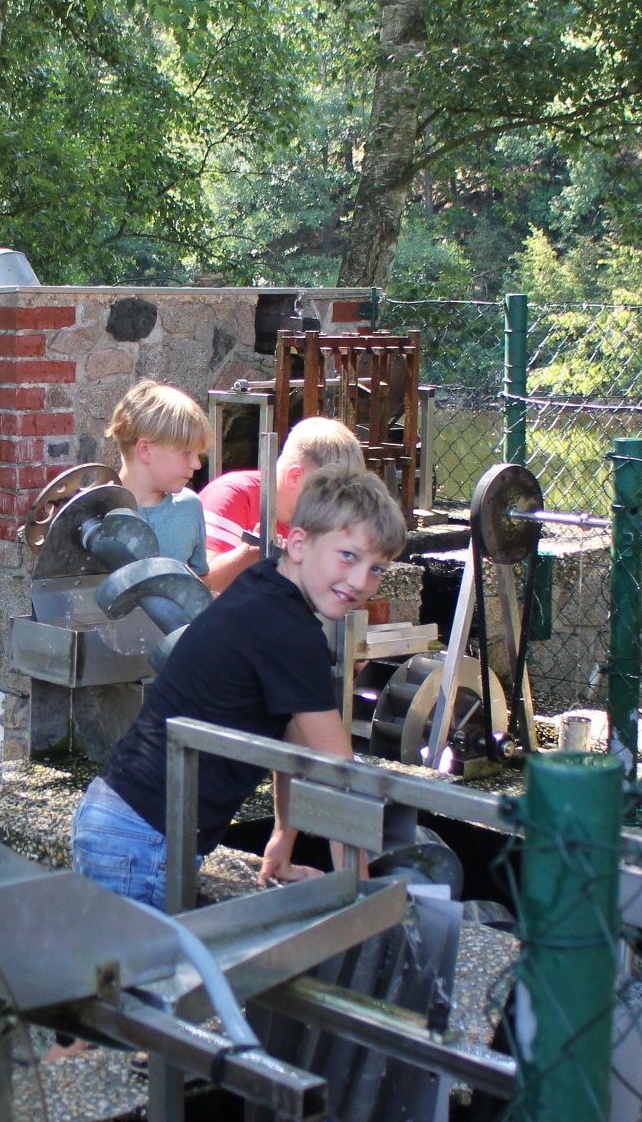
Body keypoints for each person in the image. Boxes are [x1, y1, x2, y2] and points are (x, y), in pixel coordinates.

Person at [74, 470, 404, 907]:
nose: (361, 581)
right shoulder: (291, 631)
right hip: (146, 841)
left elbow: (294, 735)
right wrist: (362, 902)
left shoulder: (264, 584)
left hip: (120, 818)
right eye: (348, 556)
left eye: (376, 568)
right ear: (299, 544)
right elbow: (339, 775)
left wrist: (284, 838)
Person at [199, 417, 367, 593]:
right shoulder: (232, 495)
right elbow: (203, 581)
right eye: (330, 493)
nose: (337, 504)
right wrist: (251, 553)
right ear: (295, 476)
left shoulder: (322, 521)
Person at [103, 380, 213, 575]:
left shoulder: (189, 506)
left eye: (198, 454)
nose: (196, 464)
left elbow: (201, 578)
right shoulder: (95, 511)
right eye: (186, 452)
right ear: (145, 450)